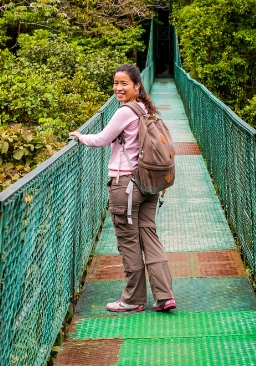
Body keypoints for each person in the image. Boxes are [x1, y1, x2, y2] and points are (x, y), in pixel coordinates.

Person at [69, 64, 176, 313]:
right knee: (149, 237)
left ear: (137, 85)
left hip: (125, 185)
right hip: (149, 183)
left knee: (128, 241)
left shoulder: (125, 111)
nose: (118, 88)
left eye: (124, 83)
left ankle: (133, 299)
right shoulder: (146, 108)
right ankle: (164, 295)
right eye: (116, 83)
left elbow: (102, 139)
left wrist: (80, 137)